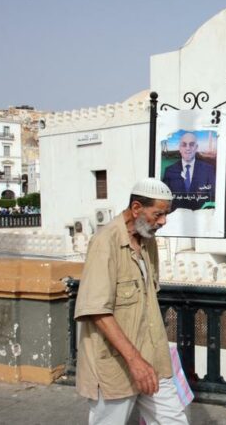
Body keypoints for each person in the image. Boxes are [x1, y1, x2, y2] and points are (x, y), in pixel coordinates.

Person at [74, 178, 187, 425]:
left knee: (173, 420)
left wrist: (146, 360)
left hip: (153, 359)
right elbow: (96, 310)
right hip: (115, 363)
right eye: (158, 214)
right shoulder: (106, 242)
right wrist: (134, 361)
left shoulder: (148, 240)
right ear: (136, 208)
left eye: (165, 214)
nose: (163, 221)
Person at [161, 132, 216, 211]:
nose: (188, 148)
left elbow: (213, 197)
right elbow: (165, 199)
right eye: (184, 145)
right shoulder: (169, 171)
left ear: (196, 147)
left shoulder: (208, 169)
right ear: (179, 148)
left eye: (191, 144)